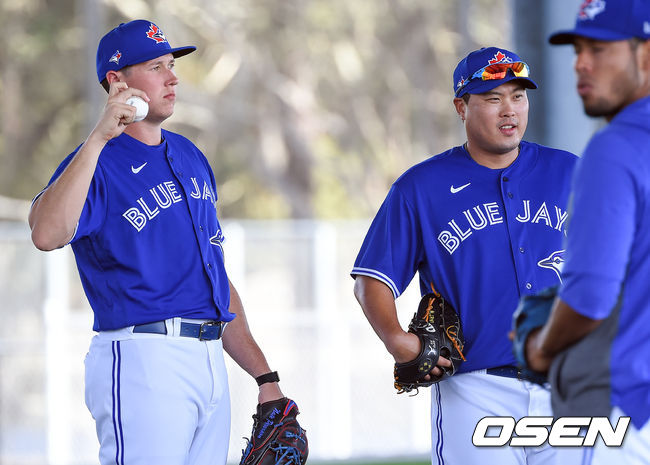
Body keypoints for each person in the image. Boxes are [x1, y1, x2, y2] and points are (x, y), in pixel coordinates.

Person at [29, 20, 285, 465]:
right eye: (155, 66)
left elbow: (214, 278)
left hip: (209, 357)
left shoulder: (190, 155)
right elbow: (46, 233)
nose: (172, 77)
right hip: (143, 356)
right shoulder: (95, 162)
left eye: (171, 65)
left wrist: (266, 378)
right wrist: (99, 137)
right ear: (117, 80)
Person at [351, 47, 578, 464]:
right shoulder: (421, 187)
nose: (509, 110)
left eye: (518, 96)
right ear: (462, 106)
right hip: (477, 389)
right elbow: (372, 280)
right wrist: (398, 341)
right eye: (493, 99)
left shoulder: (570, 173)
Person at [524, 0, 650, 462]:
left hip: (621, 411)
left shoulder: (616, 147)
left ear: (645, 53)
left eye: (599, 48)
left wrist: (542, 347)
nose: (580, 62)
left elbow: (591, 294)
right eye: (577, 47)